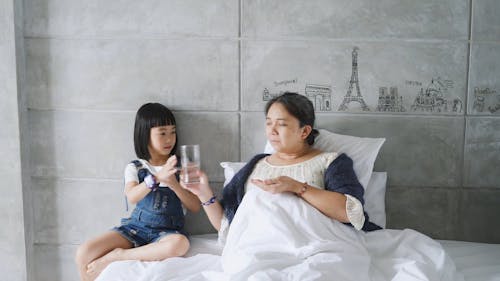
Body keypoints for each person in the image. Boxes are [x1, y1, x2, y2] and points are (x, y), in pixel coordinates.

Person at [183, 92, 380, 245]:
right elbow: (229, 229)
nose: (272, 130)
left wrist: (296, 187)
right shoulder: (256, 165)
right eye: (269, 123)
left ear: (305, 131)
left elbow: (350, 212)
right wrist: (203, 193)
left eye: (282, 124)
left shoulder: (330, 161)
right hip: (259, 247)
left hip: (314, 245)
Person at [75, 103, 201, 281]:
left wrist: (173, 183)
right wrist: (157, 178)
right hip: (135, 228)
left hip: (167, 232)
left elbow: (195, 206)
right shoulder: (136, 167)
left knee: (180, 244)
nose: (169, 139)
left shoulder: (182, 166)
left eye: (173, 132)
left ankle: (118, 256)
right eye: (162, 133)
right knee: (84, 253)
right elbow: (132, 196)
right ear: (145, 135)